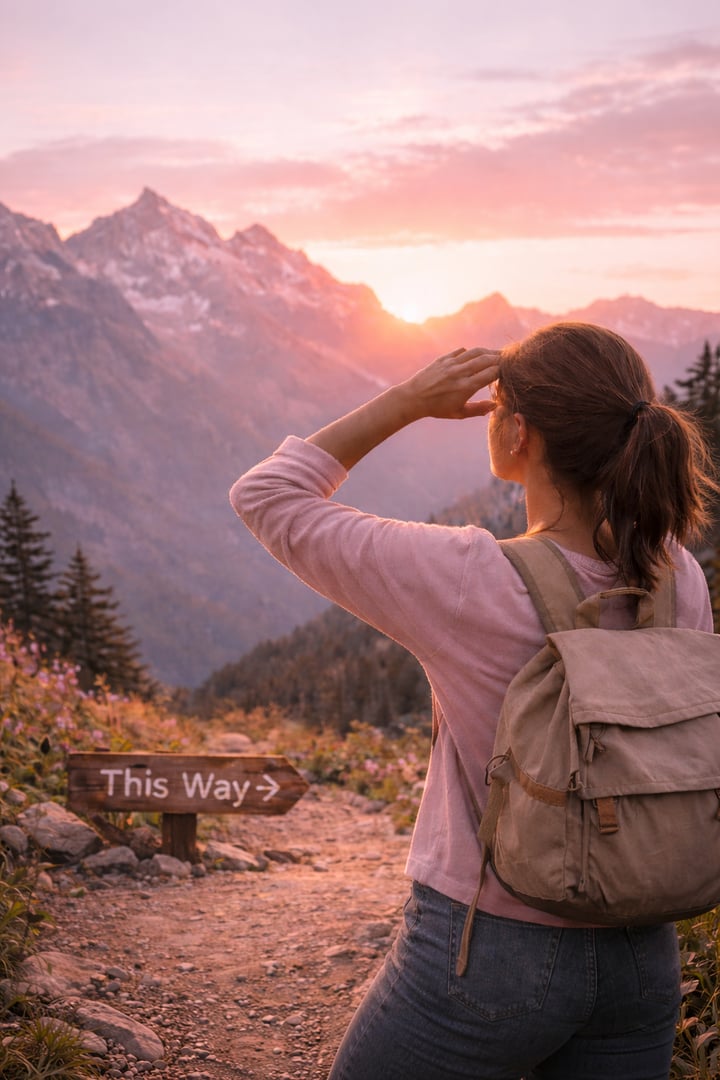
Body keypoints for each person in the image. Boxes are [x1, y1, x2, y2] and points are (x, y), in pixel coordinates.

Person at [229, 322, 716, 1080]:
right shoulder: (676, 574)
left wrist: (407, 400)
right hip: (642, 950)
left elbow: (268, 495)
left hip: (490, 951)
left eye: (499, 411)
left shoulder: (469, 576)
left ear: (518, 433)